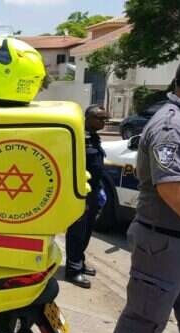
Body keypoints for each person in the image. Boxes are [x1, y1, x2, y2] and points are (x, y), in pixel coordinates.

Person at [104, 60, 180, 333]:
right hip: (163, 244)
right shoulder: (172, 126)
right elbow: (173, 189)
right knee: (144, 318)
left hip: (176, 240)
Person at [64, 105, 109, 289]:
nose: (103, 122)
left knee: (88, 229)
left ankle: (80, 262)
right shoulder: (79, 138)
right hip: (81, 191)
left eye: (105, 119)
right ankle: (73, 270)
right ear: (88, 118)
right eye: (100, 118)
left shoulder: (94, 138)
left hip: (93, 191)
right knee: (77, 231)